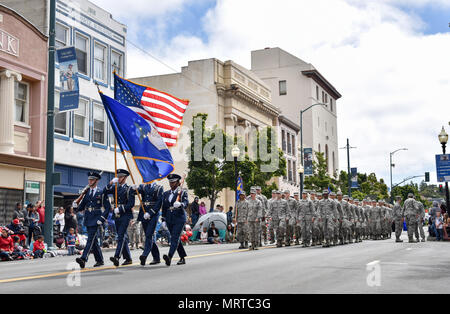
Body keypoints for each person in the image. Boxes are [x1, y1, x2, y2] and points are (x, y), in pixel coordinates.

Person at [73, 171, 110, 269]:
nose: (90, 181)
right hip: (88, 218)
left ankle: (83, 258)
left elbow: (107, 207)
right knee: (93, 241)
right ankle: (100, 260)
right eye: (89, 179)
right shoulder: (87, 193)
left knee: (90, 239)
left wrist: (102, 218)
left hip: (96, 218)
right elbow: (80, 207)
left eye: (92, 179)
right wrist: (75, 204)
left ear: (96, 181)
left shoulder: (101, 192)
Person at [104, 169, 135, 267]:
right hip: (117, 215)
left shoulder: (129, 189)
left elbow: (131, 204)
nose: (119, 178)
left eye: (121, 177)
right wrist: (111, 182)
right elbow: (104, 192)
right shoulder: (115, 187)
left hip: (125, 214)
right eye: (118, 176)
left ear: (125, 178)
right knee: (123, 236)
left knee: (121, 235)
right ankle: (128, 258)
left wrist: (120, 208)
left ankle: (117, 256)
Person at [162, 173, 189, 266]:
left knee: (174, 237)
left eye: (173, 182)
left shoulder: (182, 192)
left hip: (179, 218)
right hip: (169, 218)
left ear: (178, 183)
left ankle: (169, 257)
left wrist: (181, 204)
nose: (171, 184)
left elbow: (186, 202)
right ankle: (182, 257)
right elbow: (164, 207)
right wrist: (163, 219)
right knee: (175, 238)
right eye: (170, 182)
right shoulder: (166, 194)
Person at [134, 181, 164, 266]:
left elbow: (159, 203)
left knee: (149, 234)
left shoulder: (159, 187)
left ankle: (144, 255)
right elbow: (136, 191)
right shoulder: (143, 186)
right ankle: (156, 258)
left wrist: (150, 213)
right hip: (143, 212)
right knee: (149, 236)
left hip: (153, 214)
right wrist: (134, 188)